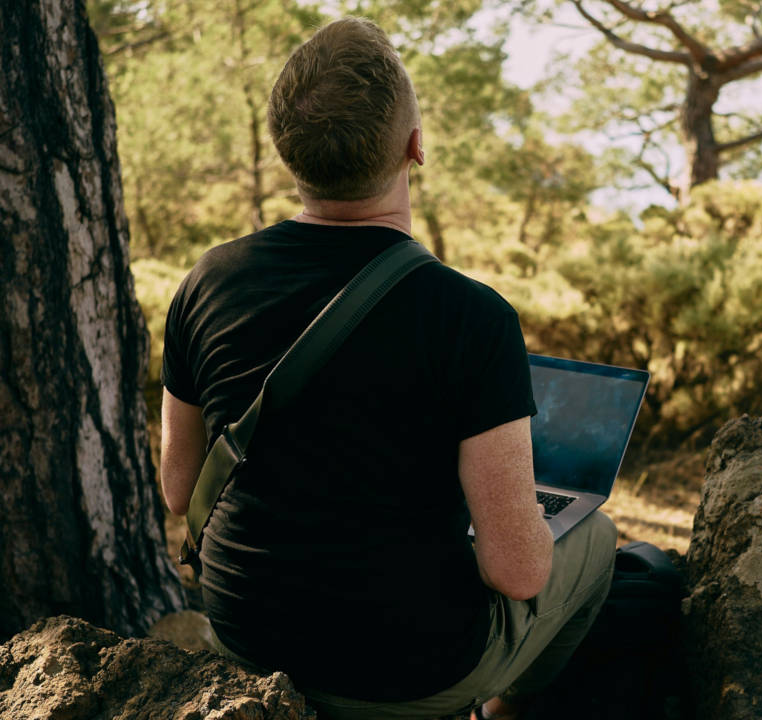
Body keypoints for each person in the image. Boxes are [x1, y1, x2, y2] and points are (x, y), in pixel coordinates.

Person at [159, 17, 616, 720]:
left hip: (247, 634)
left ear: (289, 152)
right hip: (408, 670)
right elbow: (516, 572)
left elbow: (178, 485)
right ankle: (504, 710)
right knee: (598, 537)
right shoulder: (471, 316)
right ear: (415, 147)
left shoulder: (206, 280)